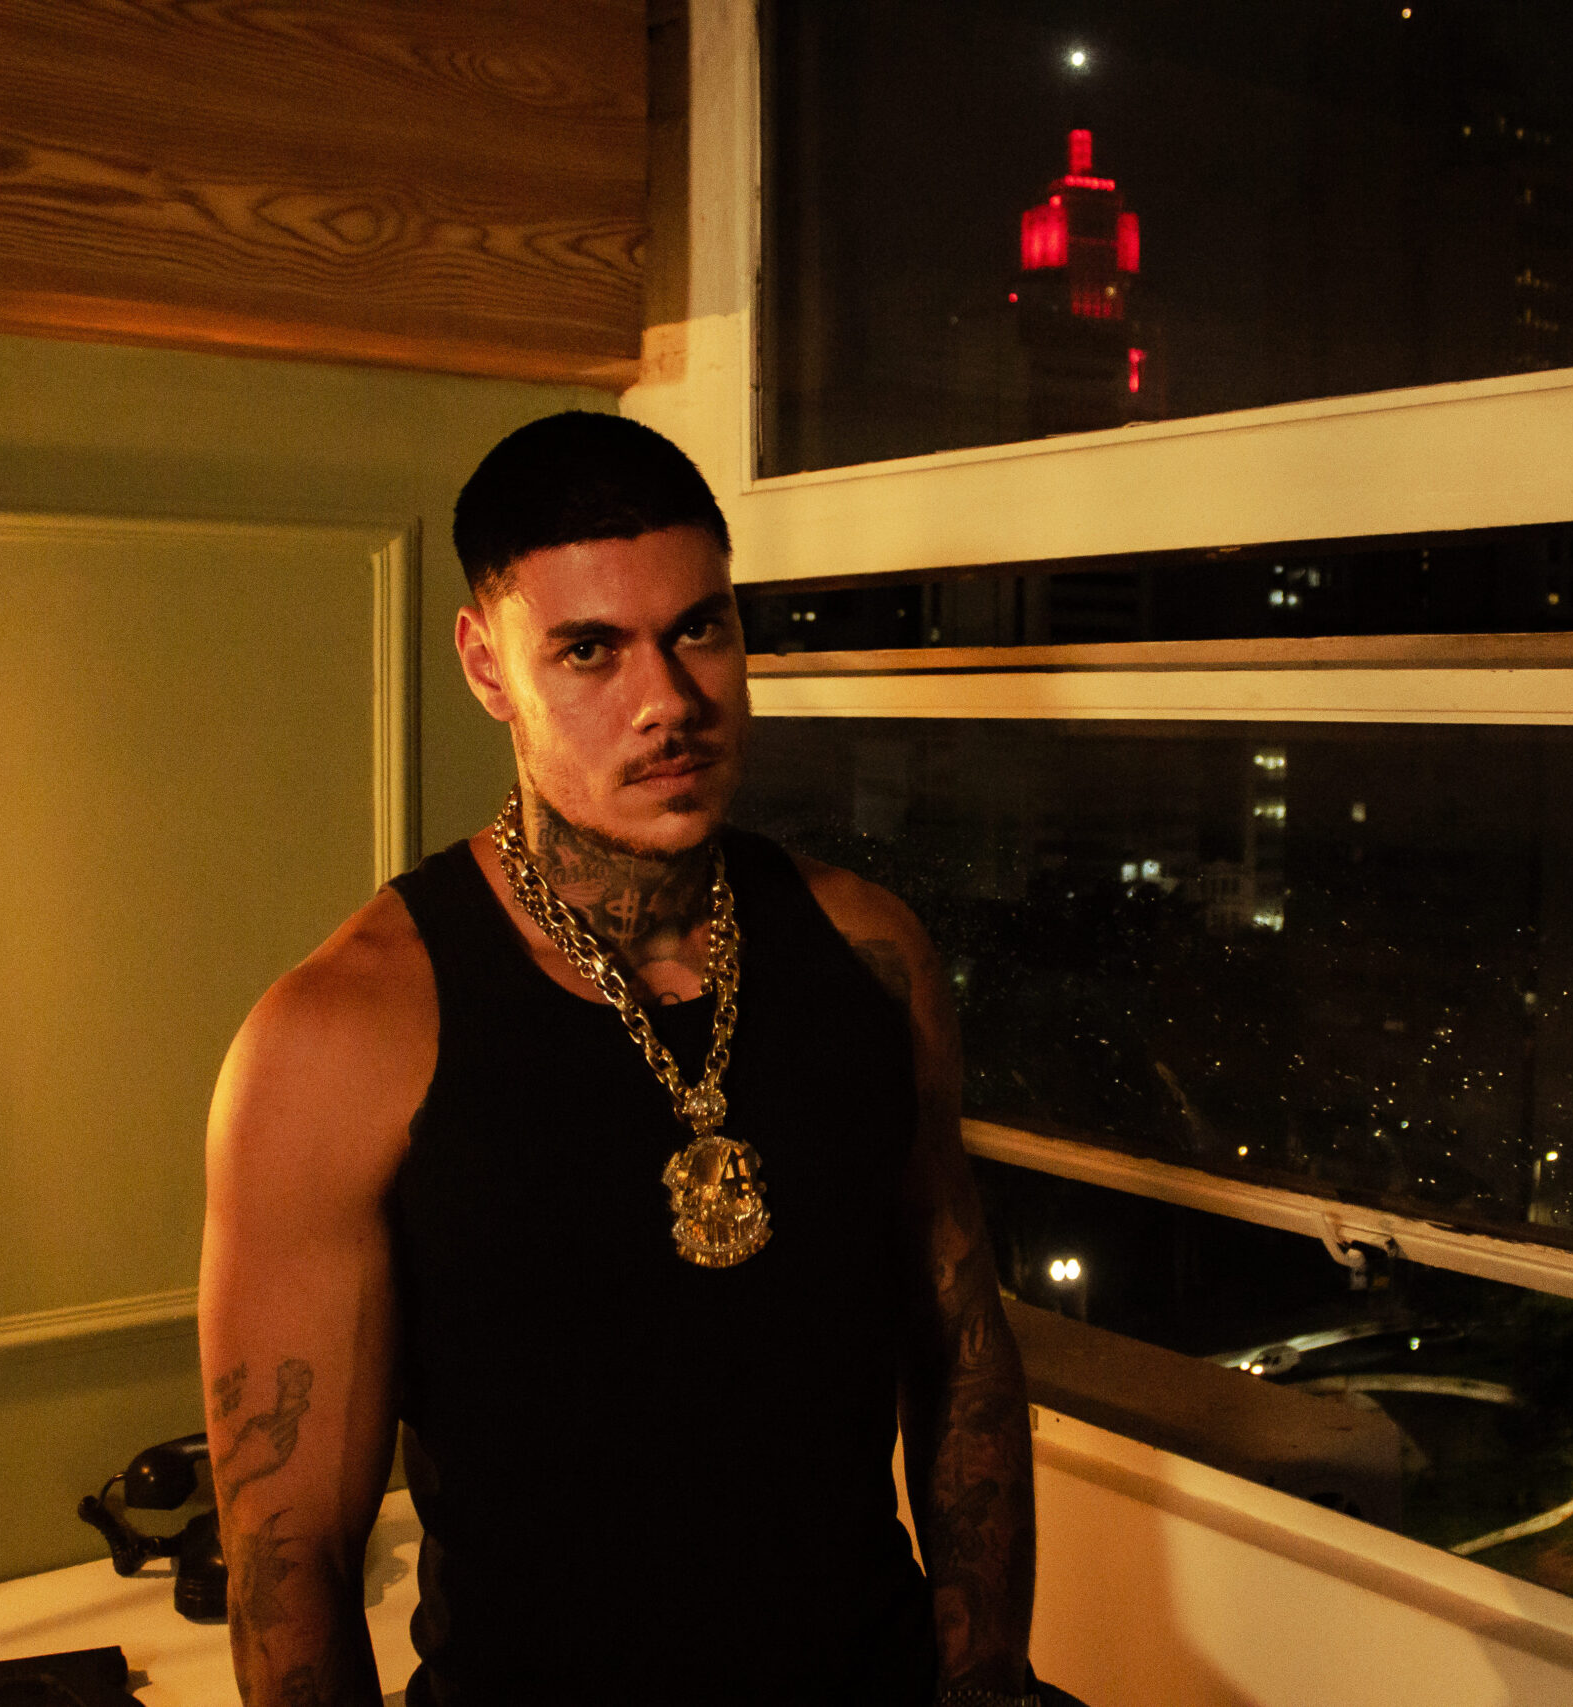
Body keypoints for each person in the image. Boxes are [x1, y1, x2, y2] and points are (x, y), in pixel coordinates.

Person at [198, 411, 1042, 1706]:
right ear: (488, 666)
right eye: (590, 650)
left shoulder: (874, 954)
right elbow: (286, 1549)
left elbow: (964, 1352)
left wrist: (985, 1681)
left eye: (699, 630)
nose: (670, 704)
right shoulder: (342, 1035)